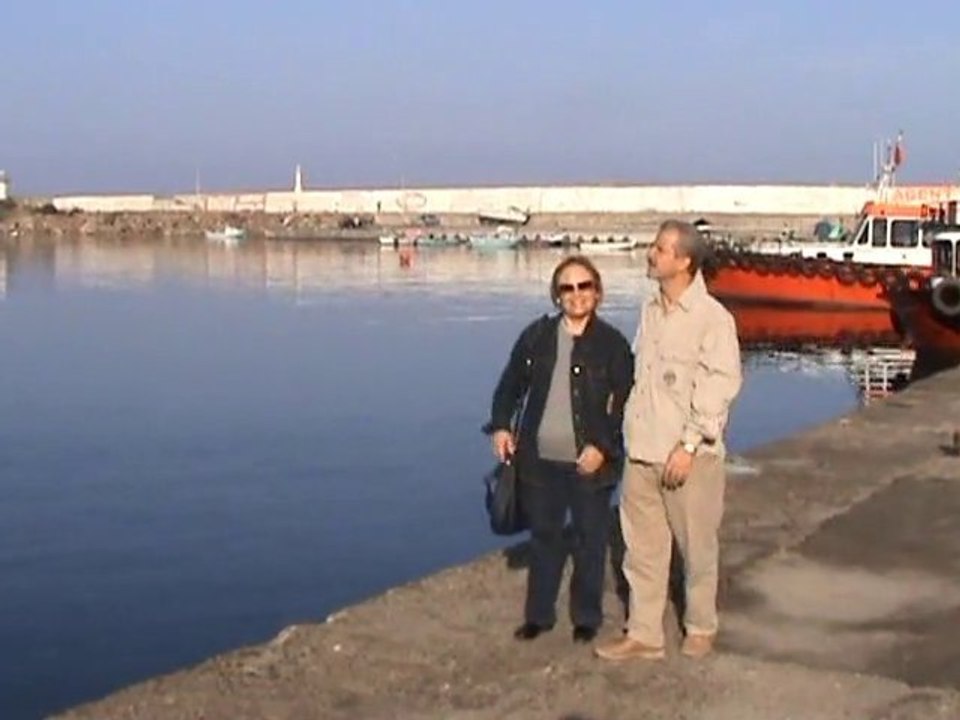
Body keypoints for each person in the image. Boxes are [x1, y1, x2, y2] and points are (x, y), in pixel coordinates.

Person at [595, 219, 742, 662]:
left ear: (684, 261)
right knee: (642, 551)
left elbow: (720, 385)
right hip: (642, 449)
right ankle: (644, 634)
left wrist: (691, 444)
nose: (650, 254)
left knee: (697, 548)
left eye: (659, 249)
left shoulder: (713, 319)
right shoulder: (650, 310)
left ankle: (700, 625)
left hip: (687, 456)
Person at [487, 256, 633, 644]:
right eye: (567, 288)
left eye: (584, 286)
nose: (576, 295)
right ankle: (538, 616)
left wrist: (602, 448)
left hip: (588, 462)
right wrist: (501, 425)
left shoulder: (612, 345)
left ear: (597, 292)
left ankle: (586, 617)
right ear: (557, 294)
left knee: (590, 539)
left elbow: (624, 406)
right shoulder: (536, 337)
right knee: (545, 538)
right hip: (539, 459)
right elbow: (510, 385)